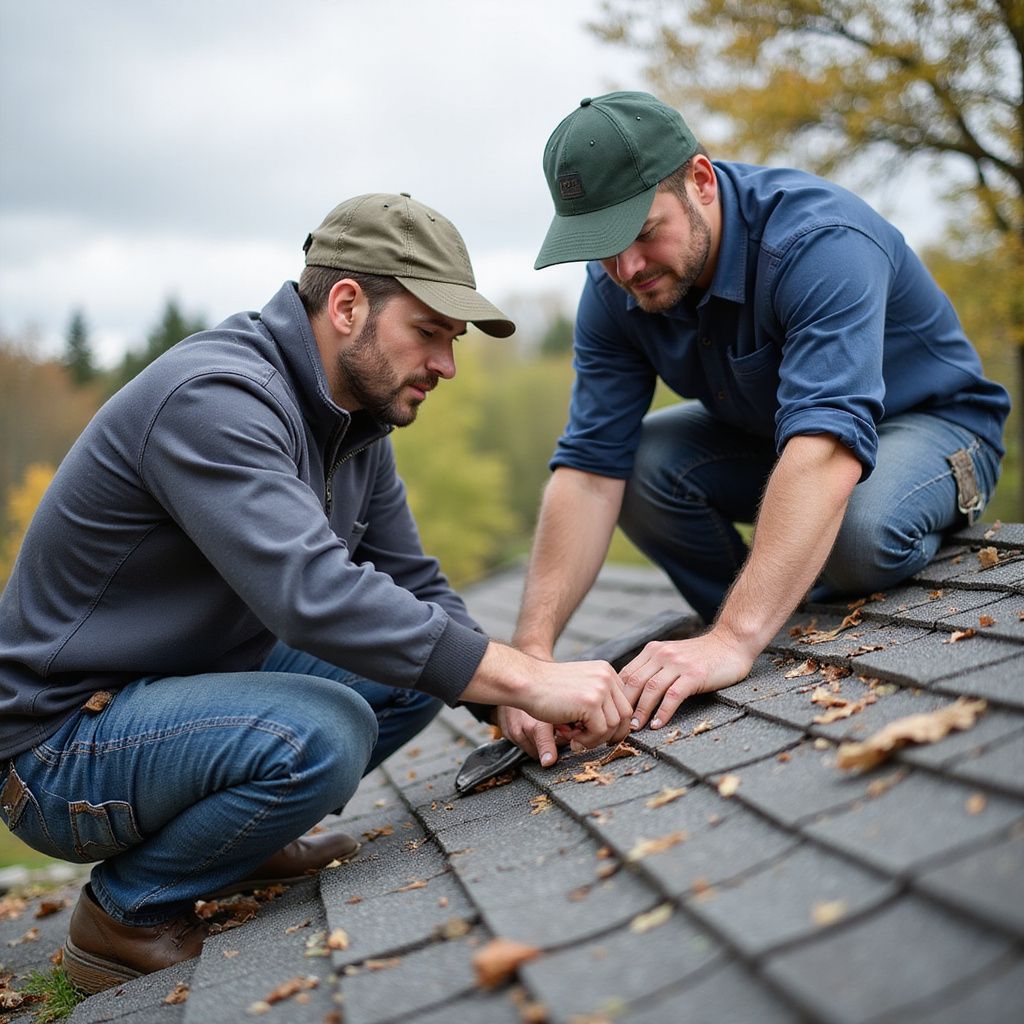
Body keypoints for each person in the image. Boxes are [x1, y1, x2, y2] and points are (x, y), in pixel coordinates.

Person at [0, 193, 632, 993]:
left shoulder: (353, 422)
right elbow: (315, 598)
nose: (446, 364)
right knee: (326, 731)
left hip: (169, 697)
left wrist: (504, 699)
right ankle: (126, 914)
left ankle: (236, 844)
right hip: (59, 748)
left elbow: (413, 585)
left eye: (454, 340)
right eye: (429, 332)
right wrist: (530, 677)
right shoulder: (215, 398)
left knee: (420, 669)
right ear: (346, 305)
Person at [498, 92, 1010, 767]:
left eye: (643, 232)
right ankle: (774, 626)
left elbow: (825, 449)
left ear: (701, 181)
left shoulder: (819, 242)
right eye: (602, 250)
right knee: (642, 466)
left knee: (856, 533)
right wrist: (529, 662)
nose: (627, 269)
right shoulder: (616, 290)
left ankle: (745, 627)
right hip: (781, 443)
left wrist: (734, 638)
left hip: (932, 426)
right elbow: (590, 472)